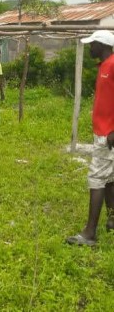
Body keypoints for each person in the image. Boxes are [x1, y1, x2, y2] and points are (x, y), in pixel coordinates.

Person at [67, 30, 114, 246]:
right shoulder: (104, 66)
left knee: (96, 179)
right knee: (110, 178)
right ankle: (112, 221)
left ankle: (89, 233)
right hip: (104, 132)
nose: (89, 47)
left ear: (102, 44)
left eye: (92, 44)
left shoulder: (113, 64)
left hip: (109, 133)